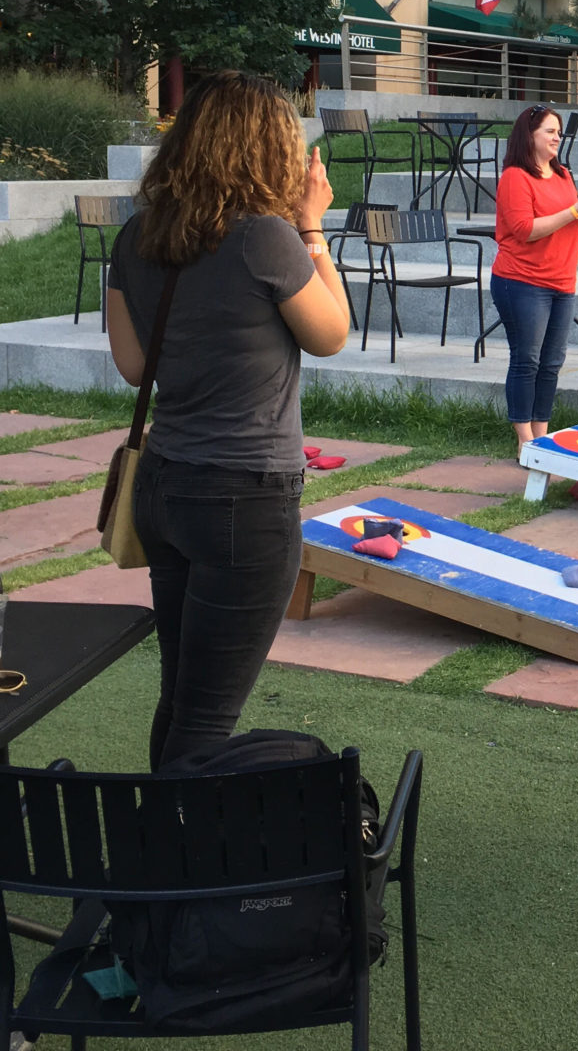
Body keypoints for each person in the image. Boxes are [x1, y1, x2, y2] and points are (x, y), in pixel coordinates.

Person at [104, 71, 352, 771]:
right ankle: (171, 865)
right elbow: (332, 333)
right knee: (207, 718)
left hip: (163, 487)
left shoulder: (136, 236)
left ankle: (161, 848)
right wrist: (312, 228)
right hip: (243, 499)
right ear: (265, 151)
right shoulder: (265, 239)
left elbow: (131, 364)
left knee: (182, 695)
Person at [491, 105, 578, 447]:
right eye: (550, 131)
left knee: (552, 362)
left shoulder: (563, 174)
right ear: (530, 136)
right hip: (521, 281)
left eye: (558, 131)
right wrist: (573, 211)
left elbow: (572, 225)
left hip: (561, 280)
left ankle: (542, 435)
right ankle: (525, 439)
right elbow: (525, 230)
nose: (557, 137)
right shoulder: (515, 177)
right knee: (527, 359)